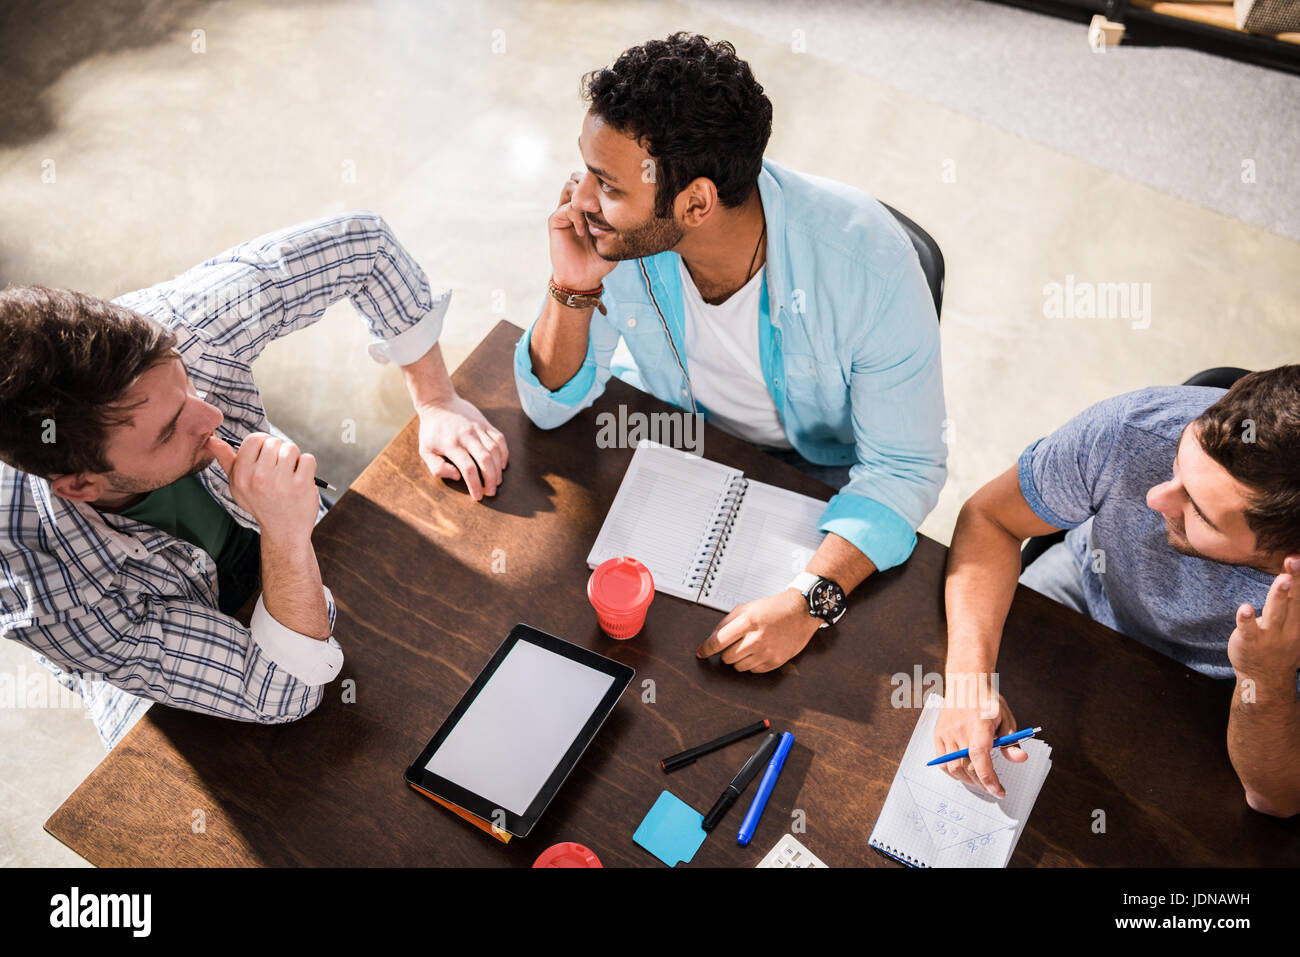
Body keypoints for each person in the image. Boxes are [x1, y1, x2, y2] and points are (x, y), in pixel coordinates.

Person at [514, 33, 947, 673]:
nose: (578, 199)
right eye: (585, 170)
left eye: (606, 185)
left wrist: (809, 599)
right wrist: (573, 288)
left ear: (694, 202)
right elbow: (550, 406)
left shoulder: (871, 267)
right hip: (679, 439)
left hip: (818, 474)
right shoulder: (617, 240)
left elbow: (906, 467)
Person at [0, 211, 508, 750]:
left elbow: (364, 245)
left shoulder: (182, 327)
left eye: (187, 385)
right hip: (154, 661)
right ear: (79, 485)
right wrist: (286, 534)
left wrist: (435, 399)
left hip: (293, 534)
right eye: (170, 431)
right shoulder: (38, 585)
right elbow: (285, 691)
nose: (209, 417)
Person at [935, 367, 1300, 817]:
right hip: (1085, 590)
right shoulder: (1136, 427)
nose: (1156, 498)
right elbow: (991, 518)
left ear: (1288, 557)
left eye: (1199, 512)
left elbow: (1276, 798)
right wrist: (969, 683)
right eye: (1176, 464)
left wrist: (1264, 676)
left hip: (1219, 694)